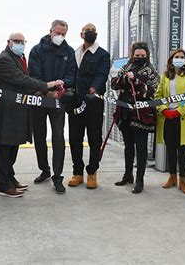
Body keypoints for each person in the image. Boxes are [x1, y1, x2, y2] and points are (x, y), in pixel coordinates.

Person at [0, 32, 62, 197]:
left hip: (17, 109)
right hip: (6, 111)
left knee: (12, 147)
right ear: (8, 42)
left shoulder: (18, 58)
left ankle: (10, 178)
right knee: (4, 148)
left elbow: (24, 82)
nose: (20, 44)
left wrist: (38, 91)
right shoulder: (4, 59)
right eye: (16, 41)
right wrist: (46, 85)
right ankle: (4, 185)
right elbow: (20, 80)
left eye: (22, 41)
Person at [28, 20, 77, 194]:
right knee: (39, 136)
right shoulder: (37, 50)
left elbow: (72, 74)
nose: (60, 37)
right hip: (41, 98)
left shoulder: (69, 51)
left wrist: (61, 87)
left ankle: (58, 176)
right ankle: (45, 170)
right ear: (50, 31)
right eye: (58, 33)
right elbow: (33, 75)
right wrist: (46, 90)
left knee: (58, 136)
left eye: (64, 34)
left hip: (59, 100)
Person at [111, 42, 160, 193]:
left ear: (147, 56)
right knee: (128, 145)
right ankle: (128, 175)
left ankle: (140, 180)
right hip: (125, 111)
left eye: (142, 56)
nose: (139, 58)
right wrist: (126, 79)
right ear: (132, 55)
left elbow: (151, 91)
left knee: (141, 147)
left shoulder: (151, 71)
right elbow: (114, 84)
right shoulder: (126, 67)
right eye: (136, 55)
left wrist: (137, 80)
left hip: (142, 114)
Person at [68, 23, 111, 189]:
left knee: (94, 138)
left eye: (93, 31)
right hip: (75, 102)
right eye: (88, 31)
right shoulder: (75, 52)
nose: (91, 33)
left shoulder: (102, 54)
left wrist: (93, 89)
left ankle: (92, 172)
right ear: (81, 34)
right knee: (74, 138)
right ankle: (77, 172)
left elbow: (102, 75)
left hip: (93, 103)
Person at [155, 49, 185, 194]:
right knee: (171, 149)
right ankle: (172, 177)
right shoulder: (165, 77)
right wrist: (164, 110)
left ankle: (183, 181)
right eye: (176, 57)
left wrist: (179, 111)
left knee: (183, 151)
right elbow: (158, 95)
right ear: (171, 60)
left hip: (183, 118)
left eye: (182, 57)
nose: (179, 59)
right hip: (168, 117)